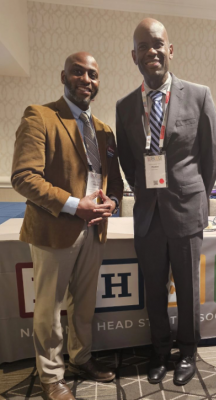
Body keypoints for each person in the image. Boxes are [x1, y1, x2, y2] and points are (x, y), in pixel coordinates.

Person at [11, 52, 123, 400]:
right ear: (64, 75)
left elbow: (114, 181)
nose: (86, 79)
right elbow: (23, 177)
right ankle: (50, 377)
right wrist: (76, 206)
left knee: (85, 304)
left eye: (93, 74)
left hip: (95, 230)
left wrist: (112, 203)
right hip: (54, 229)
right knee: (49, 307)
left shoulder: (104, 131)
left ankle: (81, 359)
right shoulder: (40, 116)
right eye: (78, 72)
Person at [116, 18, 216, 386]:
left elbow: (211, 157)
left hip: (187, 212)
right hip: (147, 215)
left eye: (158, 44)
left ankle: (188, 352)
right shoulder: (125, 106)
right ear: (134, 55)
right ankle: (159, 352)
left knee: (189, 289)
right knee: (154, 288)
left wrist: (194, 196)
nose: (152, 52)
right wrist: (147, 193)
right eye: (143, 46)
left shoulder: (199, 95)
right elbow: (129, 162)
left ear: (170, 49)